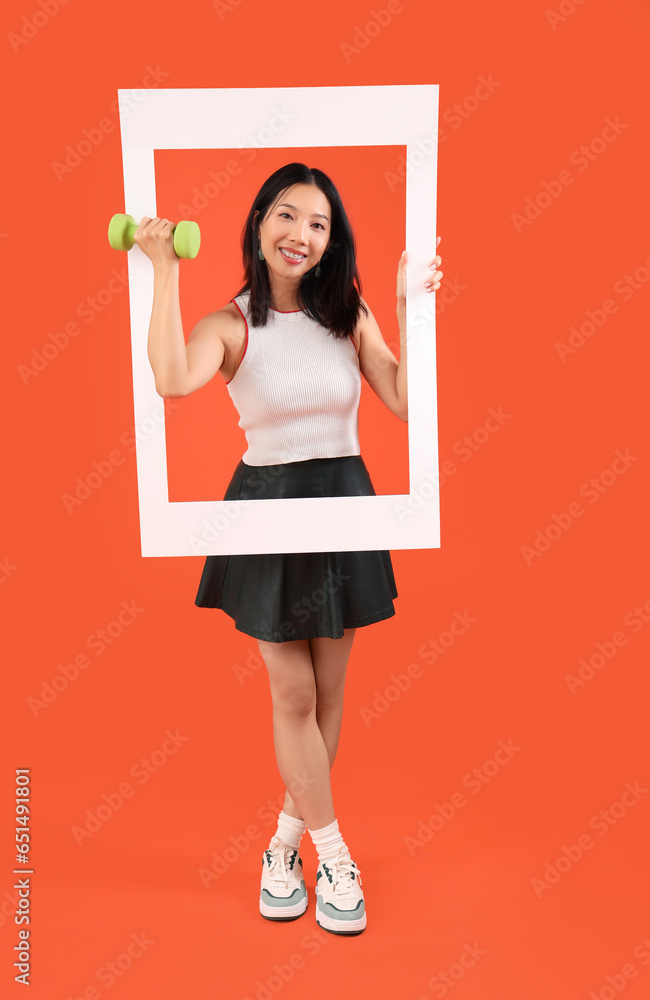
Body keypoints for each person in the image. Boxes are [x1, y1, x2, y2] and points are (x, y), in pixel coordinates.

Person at [135, 162, 442, 936]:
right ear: (258, 224)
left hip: (342, 496)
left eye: (318, 223)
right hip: (268, 507)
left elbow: (405, 403)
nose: (300, 234)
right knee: (295, 696)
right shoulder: (231, 324)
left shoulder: (349, 315)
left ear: (331, 240)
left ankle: (281, 846)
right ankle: (335, 854)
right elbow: (173, 380)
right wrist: (162, 272)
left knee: (331, 694)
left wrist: (409, 309)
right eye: (286, 215)